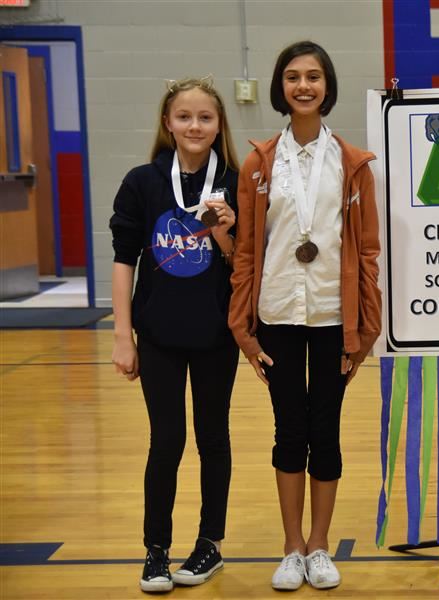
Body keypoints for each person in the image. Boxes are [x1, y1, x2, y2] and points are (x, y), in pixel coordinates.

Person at [228, 40, 382, 592]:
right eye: (293, 77)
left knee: (327, 429)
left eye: (313, 76)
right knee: (289, 430)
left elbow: (366, 253)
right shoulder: (258, 163)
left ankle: (321, 545)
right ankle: (291, 547)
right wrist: (242, 327)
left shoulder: (353, 163)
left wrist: (367, 328)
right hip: (276, 313)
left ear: (327, 86)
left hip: (333, 317)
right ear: (281, 87)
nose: (303, 86)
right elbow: (246, 249)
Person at [109, 76, 240, 593]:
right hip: (158, 333)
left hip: (216, 334)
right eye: (184, 116)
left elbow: (241, 264)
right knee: (165, 441)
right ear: (168, 122)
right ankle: (156, 550)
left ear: (218, 125)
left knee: (213, 438)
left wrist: (227, 230)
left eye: (205, 117)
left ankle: (209, 544)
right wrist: (123, 335)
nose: (194, 125)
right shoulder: (142, 182)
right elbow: (123, 262)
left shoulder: (234, 180)